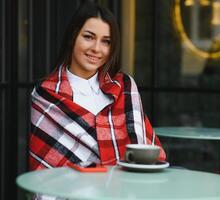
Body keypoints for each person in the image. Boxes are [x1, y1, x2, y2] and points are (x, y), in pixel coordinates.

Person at [29, 1, 165, 171]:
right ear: (73, 37)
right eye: (88, 37)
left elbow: (142, 149)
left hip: (126, 192)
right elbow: (46, 173)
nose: (96, 49)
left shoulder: (124, 87)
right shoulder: (45, 93)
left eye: (106, 41)